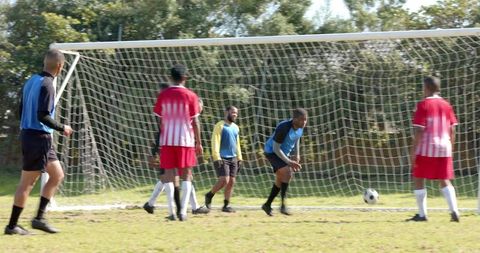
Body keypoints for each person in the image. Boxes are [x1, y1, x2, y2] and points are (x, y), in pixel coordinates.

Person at [5, 49, 74, 235]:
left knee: (57, 175)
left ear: (45, 63)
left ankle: (39, 219)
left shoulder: (31, 81)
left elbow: (21, 109)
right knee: (26, 183)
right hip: (38, 137)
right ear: (59, 66)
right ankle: (12, 226)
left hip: (33, 136)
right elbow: (43, 116)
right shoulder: (48, 85)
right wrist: (63, 128)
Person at [144, 91, 208, 215]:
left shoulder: (184, 119)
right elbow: (160, 132)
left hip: (172, 147)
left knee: (173, 178)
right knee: (179, 177)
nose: (199, 112)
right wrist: (155, 151)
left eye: (201, 110)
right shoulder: (181, 118)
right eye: (199, 108)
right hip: (171, 147)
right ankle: (184, 210)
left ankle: (151, 204)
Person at [153, 64, 203, 221]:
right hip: (186, 141)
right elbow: (195, 122)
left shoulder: (163, 95)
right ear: (184, 78)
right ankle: (183, 212)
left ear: (170, 77)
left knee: (169, 176)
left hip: (167, 141)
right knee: (187, 175)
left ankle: (172, 212)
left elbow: (160, 121)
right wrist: (199, 142)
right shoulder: (191, 96)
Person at [406, 76, 460, 222]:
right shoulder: (446, 105)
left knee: (418, 178)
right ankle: (454, 210)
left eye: (423, 87)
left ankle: (422, 215)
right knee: (444, 180)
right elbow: (453, 130)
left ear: (427, 88)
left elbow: (419, 131)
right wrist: (451, 148)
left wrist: (413, 151)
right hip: (445, 148)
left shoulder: (423, 105)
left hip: (427, 148)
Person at [261, 108, 307, 216]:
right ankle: (283, 206)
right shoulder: (284, 127)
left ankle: (267, 205)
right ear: (294, 119)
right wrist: (289, 161)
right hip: (272, 152)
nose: (304, 122)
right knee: (287, 173)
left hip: (283, 153)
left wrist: (297, 154)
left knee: (281, 178)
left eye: (305, 120)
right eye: (301, 120)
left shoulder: (300, 128)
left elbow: (297, 139)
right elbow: (276, 148)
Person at [204, 106, 243, 212]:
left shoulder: (236, 127)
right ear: (226, 112)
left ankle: (226, 205)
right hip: (222, 158)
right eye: (233, 112)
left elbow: (237, 143)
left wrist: (240, 158)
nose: (235, 114)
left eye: (236, 113)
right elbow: (215, 141)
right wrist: (216, 156)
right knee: (224, 180)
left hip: (233, 158)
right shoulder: (220, 125)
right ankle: (209, 195)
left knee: (232, 181)